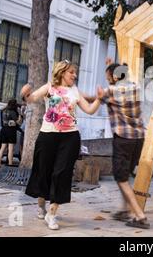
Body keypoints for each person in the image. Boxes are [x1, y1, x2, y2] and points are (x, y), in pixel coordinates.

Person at [21, 60, 101, 231]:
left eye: (75, 72)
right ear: (62, 72)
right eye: (71, 72)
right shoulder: (49, 87)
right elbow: (32, 99)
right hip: (47, 135)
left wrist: (99, 99)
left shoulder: (75, 91)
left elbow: (89, 110)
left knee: (62, 173)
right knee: (44, 172)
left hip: (70, 137)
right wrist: (25, 94)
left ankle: (52, 212)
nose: (75, 75)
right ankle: (41, 204)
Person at [96, 60, 149, 229]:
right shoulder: (135, 87)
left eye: (108, 77)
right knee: (125, 175)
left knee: (121, 178)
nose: (108, 80)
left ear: (115, 76)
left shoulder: (111, 91)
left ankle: (139, 216)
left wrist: (81, 95)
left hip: (124, 139)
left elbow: (94, 99)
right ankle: (125, 210)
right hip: (138, 139)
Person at [0, 99, 21, 168]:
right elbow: (18, 122)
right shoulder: (13, 112)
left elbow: (0, 109)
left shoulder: (4, 111)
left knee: (2, 147)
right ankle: (10, 164)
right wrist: (19, 116)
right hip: (11, 131)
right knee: (11, 148)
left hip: (4, 129)